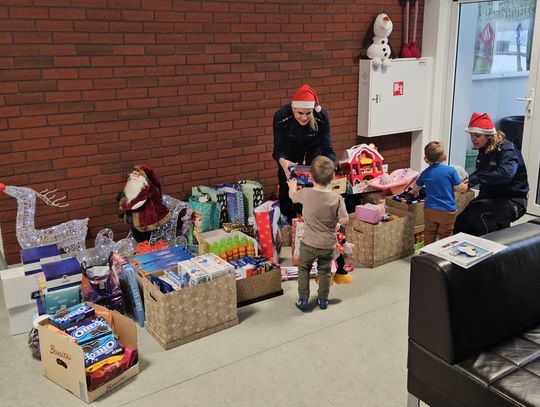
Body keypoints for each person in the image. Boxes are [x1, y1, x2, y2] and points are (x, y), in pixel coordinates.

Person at [287, 156, 349, 311]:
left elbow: (293, 198)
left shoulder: (306, 193)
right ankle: (323, 300)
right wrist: (337, 223)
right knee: (325, 271)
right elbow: (345, 219)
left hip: (308, 242)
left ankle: (303, 299)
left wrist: (292, 187)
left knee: (304, 269)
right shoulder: (337, 198)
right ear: (333, 177)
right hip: (327, 244)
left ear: (311, 177)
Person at [454, 112, 529, 236]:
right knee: (461, 222)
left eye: (477, 135)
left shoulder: (507, 150)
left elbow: (505, 174)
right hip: (491, 197)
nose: (473, 139)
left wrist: (476, 179)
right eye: (472, 135)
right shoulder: (484, 149)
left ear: (489, 135)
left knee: (479, 214)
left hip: (514, 200)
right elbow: (482, 171)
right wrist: (468, 182)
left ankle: (495, 250)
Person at [273, 84, 336, 222]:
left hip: (314, 144)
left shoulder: (321, 117)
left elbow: (328, 150)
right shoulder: (281, 117)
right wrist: (284, 164)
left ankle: (309, 215)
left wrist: (327, 170)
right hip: (291, 144)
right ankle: (287, 219)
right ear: (293, 109)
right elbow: (278, 151)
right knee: (287, 179)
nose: (304, 118)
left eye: (308, 113)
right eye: (300, 113)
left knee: (315, 175)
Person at [412, 142, 468, 245]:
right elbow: (460, 188)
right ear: (445, 157)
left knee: (429, 232)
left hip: (430, 209)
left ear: (426, 159)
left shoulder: (425, 173)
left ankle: (427, 253)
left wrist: (414, 193)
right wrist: (466, 185)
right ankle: (442, 255)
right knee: (445, 233)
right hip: (447, 210)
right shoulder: (451, 171)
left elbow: (415, 188)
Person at [118, 165, 171, 242]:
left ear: (143, 177)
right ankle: (141, 246)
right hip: (134, 219)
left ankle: (146, 247)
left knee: (145, 238)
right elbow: (127, 196)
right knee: (136, 234)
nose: (134, 175)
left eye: (138, 174)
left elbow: (137, 202)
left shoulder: (147, 187)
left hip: (145, 217)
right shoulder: (131, 184)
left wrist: (125, 206)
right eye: (134, 173)